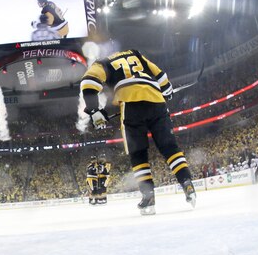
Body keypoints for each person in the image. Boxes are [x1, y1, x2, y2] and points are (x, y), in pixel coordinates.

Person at [80, 49, 196, 215]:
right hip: (157, 101)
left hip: (130, 103)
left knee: (138, 153)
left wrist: (93, 110)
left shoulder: (103, 63)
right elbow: (160, 75)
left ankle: (148, 197)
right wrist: (167, 90)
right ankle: (187, 183)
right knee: (170, 147)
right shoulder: (135, 54)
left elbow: (88, 82)